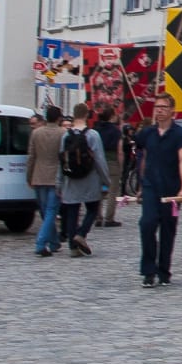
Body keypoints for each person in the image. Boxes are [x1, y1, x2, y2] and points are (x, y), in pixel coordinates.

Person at [133, 101, 182, 287]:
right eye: (156, 107)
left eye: (163, 107)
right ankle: (148, 271)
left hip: (171, 189)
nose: (159, 110)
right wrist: (142, 186)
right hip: (151, 186)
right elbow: (144, 159)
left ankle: (164, 270)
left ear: (172, 111)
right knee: (147, 223)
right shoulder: (147, 134)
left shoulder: (180, 135)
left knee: (168, 230)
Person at [55, 103, 105, 258]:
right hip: (89, 178)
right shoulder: (93, 135)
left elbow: (62, 160)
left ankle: (72, 247)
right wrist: (106, 180)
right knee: (92, 209)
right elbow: (99, 160)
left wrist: (59, 182)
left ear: (74, 114)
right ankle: (81, 234)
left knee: (72, 212)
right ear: (87, 115)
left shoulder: (66, 135)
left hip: (71, 179)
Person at [26, 105, 65, 256]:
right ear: (58, 118)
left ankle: (53, 242)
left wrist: (29, 176)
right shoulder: (63, 133)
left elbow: (31, 157)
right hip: (55, 177)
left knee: (45, 211)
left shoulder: (36, 133)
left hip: (38, 175)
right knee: (50, 211)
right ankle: (42, 243)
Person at [94, 106, 123, 228]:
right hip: (112, 161)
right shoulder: (116, 131)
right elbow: (120, 150)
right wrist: (121, 165)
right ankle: (109, 218)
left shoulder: (96, 129)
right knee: (112, 191)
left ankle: (98, 217)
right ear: (112, 116)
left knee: (98, 190)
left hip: (98, 161)